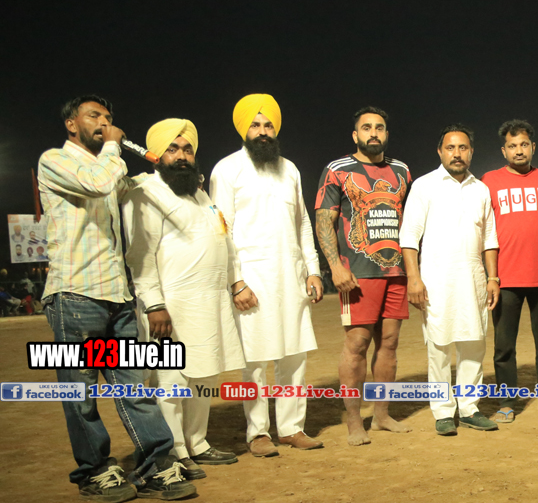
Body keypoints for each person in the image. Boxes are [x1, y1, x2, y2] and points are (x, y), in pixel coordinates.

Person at [37, 95, 195, 502]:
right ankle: (94, 471)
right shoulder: (55, 160)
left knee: (134, 388)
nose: (104, 123)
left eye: (108, 118)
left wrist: (171, 170)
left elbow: (129, 188)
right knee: (81, 394)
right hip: (74, 294)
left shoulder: (109, 167)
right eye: (94, 116)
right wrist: (113, 145)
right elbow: (98, 183)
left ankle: (157, 466)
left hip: (116, 295)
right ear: (72, 124)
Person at [124, 118, 244, 478]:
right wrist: (154, 304)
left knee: (203, 376)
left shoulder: (200, 194)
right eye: (172, 149)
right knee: (171, 382)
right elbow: (140, 256)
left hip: (210, 303)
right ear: (156, 155)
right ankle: (174, 449)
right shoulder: (147, 193)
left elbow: (221, 241)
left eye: (187, 149)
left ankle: (198, 442)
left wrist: (234, 283)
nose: (181, 156)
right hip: (170, 307)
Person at [209, 94, 324, 457]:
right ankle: (257, 432)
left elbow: (302, 223)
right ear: (244, 129)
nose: (262, 131)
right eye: (255, 125)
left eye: (268, 125)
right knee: (254, 360)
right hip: (252, 278)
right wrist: (235, 281)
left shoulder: (290, 170)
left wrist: (313, 270)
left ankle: (291, 428)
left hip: (291, 275)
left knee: (294, 355)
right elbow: (220, 229)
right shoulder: (227, 169)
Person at [315, 106, 413, 446]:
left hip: (396, 271)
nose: (374, 133)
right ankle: (355, 421)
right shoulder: (337, 169)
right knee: (357, 344)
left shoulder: (402, 171)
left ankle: (382, 415)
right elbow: (324, 220)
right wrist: (335, 267)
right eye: (367, 127)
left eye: (380, 127)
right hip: (356, 273)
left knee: (389, 343)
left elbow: (409, 222)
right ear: (355, 134)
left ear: (386, 134)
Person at [400, 125, 500, 436]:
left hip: (473, 279)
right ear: (440, 151)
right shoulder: (424, 186)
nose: (457, 154)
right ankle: (443, 411)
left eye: (463, 148)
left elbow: (489, 239)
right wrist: (414, 279)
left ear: (471, 152)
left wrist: (493, 277)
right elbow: (409, 237)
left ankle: (469, 408)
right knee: (439, 347)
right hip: (435, 280)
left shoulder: (480, 189)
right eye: (451, 148)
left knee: (474, 345)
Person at [481, 119, 538, 423]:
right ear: (504, 151)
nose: (519, 150)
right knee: (504, 346)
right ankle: (507, 402)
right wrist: (490, 275)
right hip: (505, 278)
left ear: (533, 147)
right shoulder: (489, 181)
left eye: (524, 144)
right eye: (512, 146)